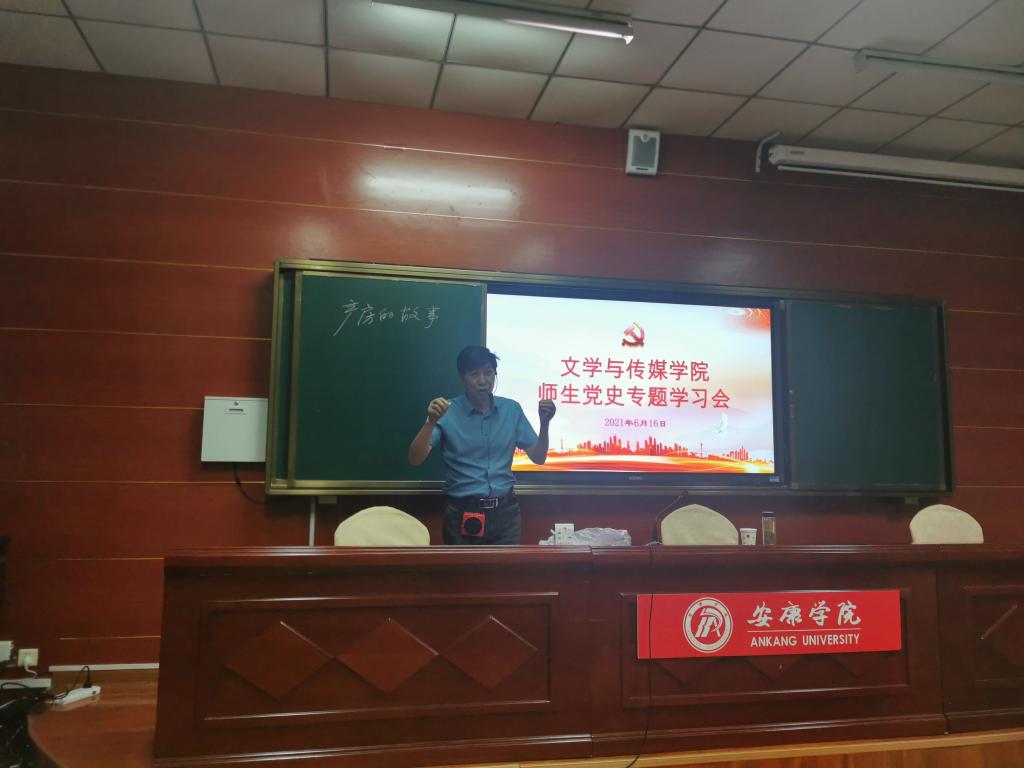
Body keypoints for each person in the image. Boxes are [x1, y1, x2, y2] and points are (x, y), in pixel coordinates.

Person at [408, 345, 555, 544]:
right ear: (462, 377)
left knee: (506, 566)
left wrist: (544, 424)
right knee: (463, 566)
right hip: (462, 511)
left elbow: (539, 457)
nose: (483, 381)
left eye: (488, 373)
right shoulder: (446, 412)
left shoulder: (511, 409)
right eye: (474, 374)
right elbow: (415, 459)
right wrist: (430, 423)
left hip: (505, 513)